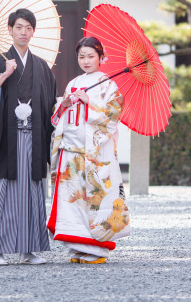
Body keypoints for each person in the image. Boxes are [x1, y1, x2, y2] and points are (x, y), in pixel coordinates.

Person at [0, 8, 58, 266]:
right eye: (19, 27)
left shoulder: (42, 67)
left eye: (29, 28)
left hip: (33, 137)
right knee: (2, 192)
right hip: (6, 139)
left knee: (30, 193)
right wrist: (3, 76)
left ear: (33, 31)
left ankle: (28, 250)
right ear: (9, 30)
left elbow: (49, 105)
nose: (24, 32)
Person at [47, 36, 130, 264]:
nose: (86, 60)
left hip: (95, 153)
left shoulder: (108, 84)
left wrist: (89, 104)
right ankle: (77, 246)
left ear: (101, 57)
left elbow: (112, 117)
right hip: (71, 151)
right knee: (72, 200)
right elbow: (59, 118)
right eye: (81, 56)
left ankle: (96, 250)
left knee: (95, 199)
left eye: (91, 56)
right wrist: (63, 106)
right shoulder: (73, 82)